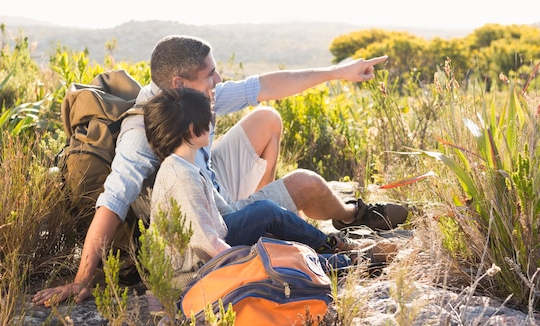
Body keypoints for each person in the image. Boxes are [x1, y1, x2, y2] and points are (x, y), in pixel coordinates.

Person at [33, 35, 407, 307]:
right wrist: (81, 281)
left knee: (267, 119)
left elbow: (261, 87)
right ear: (180, 83)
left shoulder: (192, 100)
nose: (218, 81)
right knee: (274, 210)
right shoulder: (141, 133)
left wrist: (338, 73)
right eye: (210, 74)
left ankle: (350, 216)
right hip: (189, 220)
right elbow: (112, 203)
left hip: (208, 192)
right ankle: (339, 255)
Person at [144, 87, 362, 287]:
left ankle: (327, 247)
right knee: (270, 234)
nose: (211, 125)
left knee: (265, 212)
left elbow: (226, 214)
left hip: (209, 251)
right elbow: (206, 243)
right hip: (193, 272)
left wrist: (259, 229)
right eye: (207, 119)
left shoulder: (186, 166)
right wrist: (249, 262)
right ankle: (336, 258)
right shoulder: (180, 176)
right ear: (193, 131)